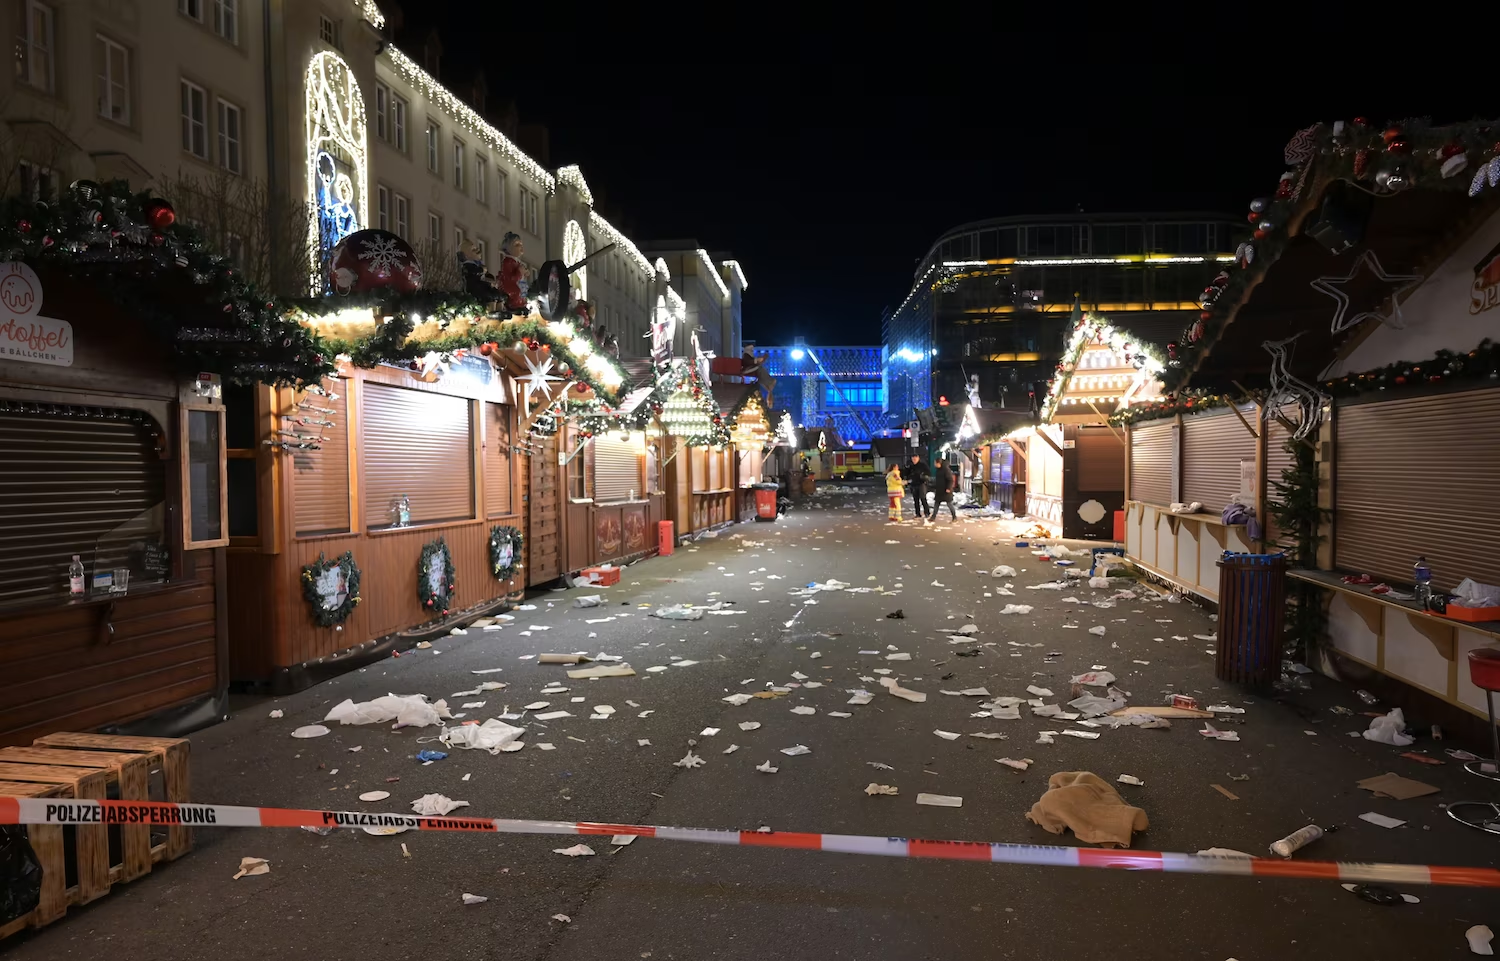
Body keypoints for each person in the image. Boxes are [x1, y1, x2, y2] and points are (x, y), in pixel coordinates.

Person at [904, 454, 930, 520]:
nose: (914, 460)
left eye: (915, 459)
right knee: (916, 500)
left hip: (921, 484)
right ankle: (918, 514)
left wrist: (924, 477)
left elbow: (928, 472)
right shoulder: (911, 466)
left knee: (923, 498)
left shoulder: (923, 465)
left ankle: (927, 513)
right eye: (913, 459)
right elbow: (906, 474)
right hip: (913, 484)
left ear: (918, 458)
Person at [931, 457, 957, 522]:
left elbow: (950, 480)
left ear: (938, 463)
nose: (934, 464)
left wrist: (948, 488)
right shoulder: (938, 469)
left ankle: (954, 517)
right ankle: (933, 517)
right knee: (936, 503)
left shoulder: (946, 469)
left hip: (946, 490)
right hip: (939, 490)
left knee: (949, 504)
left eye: (935, 463)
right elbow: (938, 480)